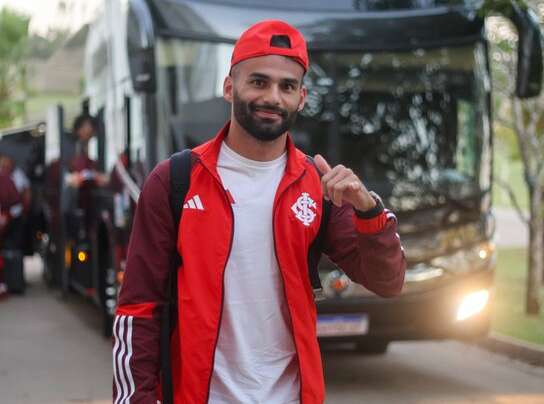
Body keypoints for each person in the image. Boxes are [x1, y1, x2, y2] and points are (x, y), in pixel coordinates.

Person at [113, 20, 406, 404]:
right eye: (258, 82)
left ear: (301, 97)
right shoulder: (175, 181)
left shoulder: (316, 188)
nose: (273, 97)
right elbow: (138, 310)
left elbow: (388, 281)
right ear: (229, 87)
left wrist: (368, 211)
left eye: (287, 86)